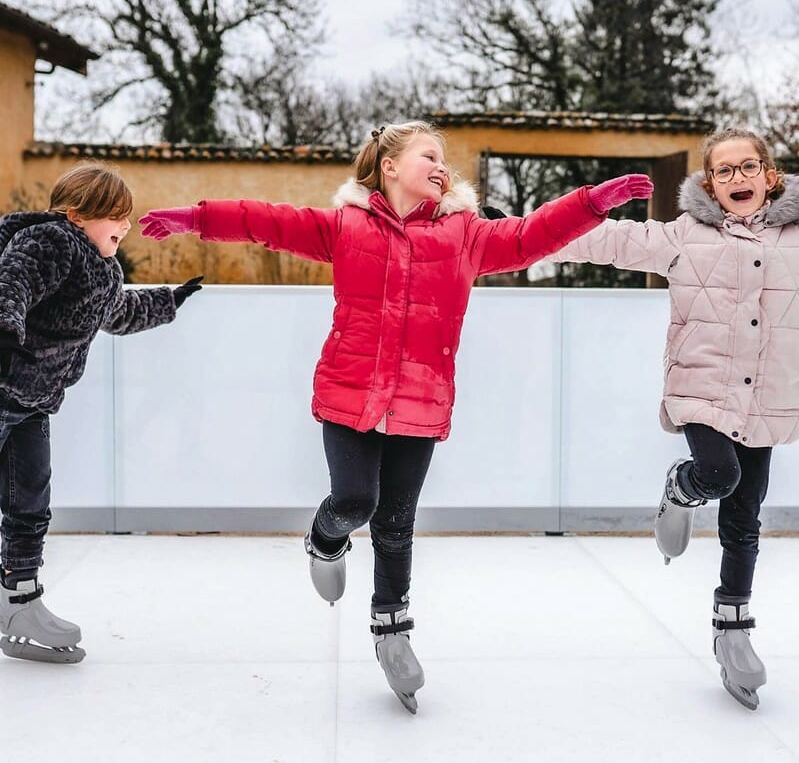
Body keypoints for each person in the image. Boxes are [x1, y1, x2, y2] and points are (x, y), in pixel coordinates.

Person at [139, 120, 653, 713]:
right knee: (354, 503)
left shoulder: (466, 235)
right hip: (349, 393)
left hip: (420, 400)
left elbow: (532, 236)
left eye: (444, 158)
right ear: (388, 166)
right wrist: (197, 218)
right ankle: (324, 538)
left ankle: (392, 631)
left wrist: (590, 202)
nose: (441, 165)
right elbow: (266, 221)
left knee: (396, 523)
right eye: (427, 155)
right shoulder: (345, 226)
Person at [520, 128, 794, 710]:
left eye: (749, 167)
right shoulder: (684, 234)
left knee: (745, 517)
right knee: (720, 477)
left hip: (767, 394)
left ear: (770, 176)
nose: (738, 179)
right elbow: (610, 241)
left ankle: (732, 627)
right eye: (725, 171)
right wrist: (520, 232)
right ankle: (682, 485)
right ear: (709, 184)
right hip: (702, 386)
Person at [0, 163, 202, 664]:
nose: (127, 225)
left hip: (32, 404)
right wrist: (6, 324)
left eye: (127, 217)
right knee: (26, 502)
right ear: (77, 215)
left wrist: (170, 301)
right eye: (115, 215)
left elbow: (121, 315)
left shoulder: (105, 271)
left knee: (29, 504)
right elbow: (13, 282)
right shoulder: (52, 242)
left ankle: (18, 602)